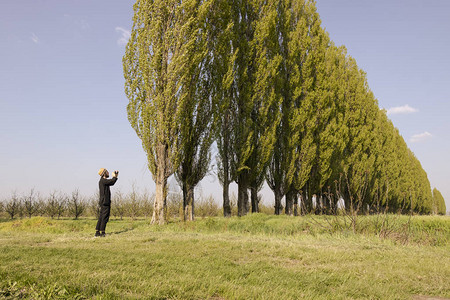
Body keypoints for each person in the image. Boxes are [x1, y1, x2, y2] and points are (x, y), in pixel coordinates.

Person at [95, 168, 118, 237]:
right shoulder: (103, 181)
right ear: (104, 173)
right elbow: (112, 182)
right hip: (105, 202)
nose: (108, 173)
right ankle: (102, 233)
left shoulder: (102, 181)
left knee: (101, 217)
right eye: (107, 172)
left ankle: (97, 232)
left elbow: (110, 182)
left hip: (103, 202)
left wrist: (114, 177)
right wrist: (115, 176)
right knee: (104, 217)